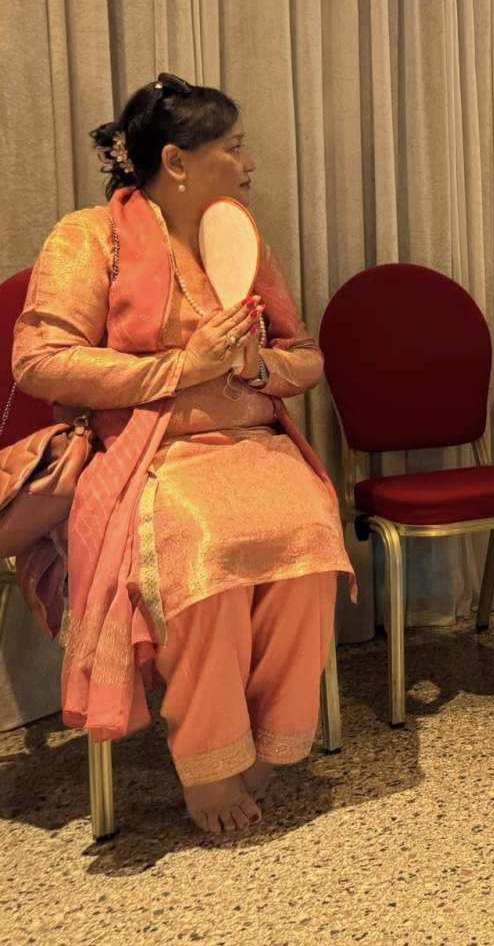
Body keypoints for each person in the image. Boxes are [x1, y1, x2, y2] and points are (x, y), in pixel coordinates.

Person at [12, 74, 352, 835]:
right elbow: (39, 361)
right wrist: (180, 367)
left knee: (309, 537)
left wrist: (257, 367)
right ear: (177, 160)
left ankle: (271, 740)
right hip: (151, 454)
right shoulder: (88, 237)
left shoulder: (241, 238)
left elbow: (304, 354)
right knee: (206, 545)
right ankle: (210, 760)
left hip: (254, 444)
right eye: (234, 148)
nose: (249, 164)